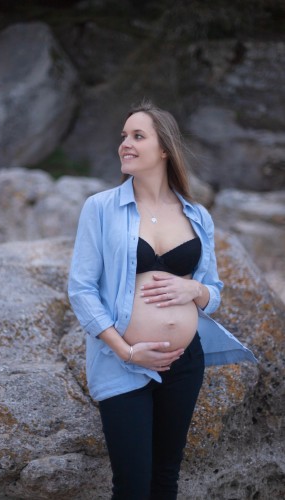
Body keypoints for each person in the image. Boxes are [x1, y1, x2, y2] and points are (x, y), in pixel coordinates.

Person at [68, 100, 256, 500]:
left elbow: (214, 292)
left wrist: (195, 290)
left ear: (165, 149)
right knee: (133, 487)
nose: (125, 144)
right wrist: (127, 351)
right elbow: (81, 289)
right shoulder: (101, 208)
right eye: (123, 137)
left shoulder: (197, 215)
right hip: (123, 364)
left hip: (185, 364)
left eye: (138, 136)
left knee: (165, 480)